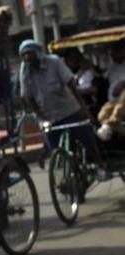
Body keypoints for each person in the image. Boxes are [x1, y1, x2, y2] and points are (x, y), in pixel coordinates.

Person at [19, 40, 110, 181]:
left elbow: (71, 86)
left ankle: (100, 166)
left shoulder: (54, 62)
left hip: (70, 111)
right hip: (48, 116)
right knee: (54, 148)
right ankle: (62, 177)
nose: (28, 58)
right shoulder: (25, 70)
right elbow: (29, 98)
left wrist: (84, 110)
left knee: (87, 138)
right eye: (24, 55)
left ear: (38, 53)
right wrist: (42, 118)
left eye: (30, 54)